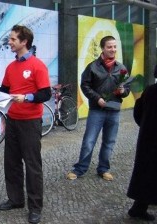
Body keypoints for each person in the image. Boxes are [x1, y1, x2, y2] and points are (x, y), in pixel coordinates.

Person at [0, 25, 51, 224]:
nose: (9, 42)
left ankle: (35, 207)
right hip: (12, 121)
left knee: (33, 166)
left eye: (13, 39)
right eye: (10, 39)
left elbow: (46, 93)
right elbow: (4, 91)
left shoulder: (37, 65)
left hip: (31, 122)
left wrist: (27, 97)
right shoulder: (11, 67)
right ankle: (16, 200)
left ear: (24, 42)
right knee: (12, 163)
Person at [66, 36, 130, 181]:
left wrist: (123, 91)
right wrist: (97, 98)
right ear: (102, 48)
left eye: (114, 47)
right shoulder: (93, 67)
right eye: (109, 47)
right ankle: (80, 169)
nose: (113, 49)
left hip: (114, 111)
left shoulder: (121, 68)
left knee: (109, 142)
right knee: (89, 141)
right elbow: (85, 85)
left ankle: (103, 169)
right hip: (97, 110)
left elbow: (127, 88)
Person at [126, 66, 157, 221]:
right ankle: (139, 208)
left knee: (146, 174)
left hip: (147, 141)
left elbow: (138, 112)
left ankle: (138, 208)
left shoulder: (150, 91)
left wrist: (145, 127)